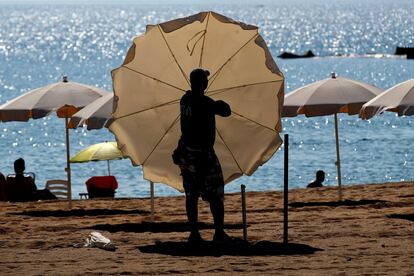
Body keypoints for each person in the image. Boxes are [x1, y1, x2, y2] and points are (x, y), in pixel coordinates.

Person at [173, 68, 232, 243]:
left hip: (186, 152)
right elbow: (226, 111)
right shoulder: (204, 103)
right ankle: (219, 233)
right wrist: (218, 104)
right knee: (215, 193)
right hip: (203, 155)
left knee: (191, 195)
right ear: (203, 83)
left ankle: (194, 234)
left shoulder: (185, 100)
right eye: (205, 80)